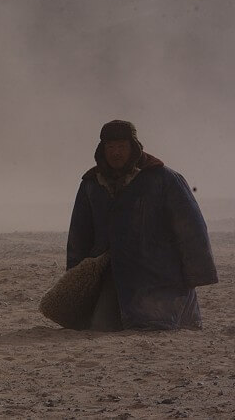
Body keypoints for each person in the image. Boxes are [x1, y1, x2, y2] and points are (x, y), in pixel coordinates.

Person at [66, 120, 218, 330]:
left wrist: (197, 274)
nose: (116, 153)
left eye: (122, 146)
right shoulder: (91, 184)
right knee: (100, 326)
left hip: (160, 276)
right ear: (102, 149)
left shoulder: (164, 179)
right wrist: (74, 280)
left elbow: (191, 228)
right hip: (111, 276)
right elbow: (80, 234)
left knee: (156, 323)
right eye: (110, 147)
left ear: (134, 147)